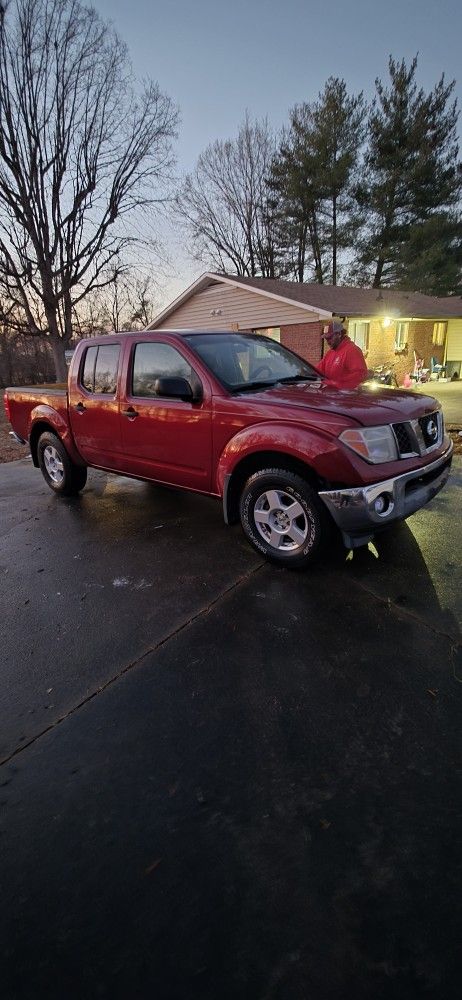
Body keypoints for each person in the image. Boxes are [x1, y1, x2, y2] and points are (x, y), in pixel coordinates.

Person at [317, 320, 368, 390]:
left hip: (345, 396)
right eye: (326, 339)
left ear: (339, 334)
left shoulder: (352, 350)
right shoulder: (330, 353)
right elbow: (318, 370)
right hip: (330, 395)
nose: (328, 342)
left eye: (330, 338)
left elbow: (360, 374)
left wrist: (337, 383)